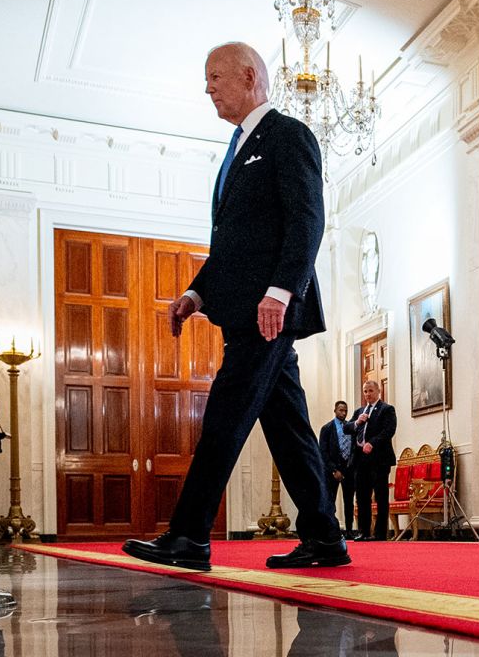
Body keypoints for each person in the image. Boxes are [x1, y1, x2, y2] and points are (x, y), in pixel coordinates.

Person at [123, 42, 347, 571]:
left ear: (249, 76)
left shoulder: (288, 135)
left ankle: (189, 536)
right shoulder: (236, 147)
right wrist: (197, 292)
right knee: (289, 428)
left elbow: (307, 221)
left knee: (224, 416)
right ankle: (324, 537)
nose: (207, 87)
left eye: (214, 76)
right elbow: (232, 241)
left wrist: (280, 291)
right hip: (247, 307)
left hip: (266, 312)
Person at [352, 380, 396, 541]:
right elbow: (346, 428)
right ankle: (364, 531)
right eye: (365, 391)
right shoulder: (359, 411)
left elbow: (389, 430)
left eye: (370, 391)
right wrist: (357, 422)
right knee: (362, 496)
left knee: (380, 496)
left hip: (379, 459)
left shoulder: (387, 409)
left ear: (379, 391)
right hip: (360, 460)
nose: (368, 394)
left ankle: (380, 533)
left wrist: (372, 443)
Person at [319, 400, 357, 537]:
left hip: (348, 469)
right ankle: (330, 530)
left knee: (349, 501)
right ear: (335, 410)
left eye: (345, 410)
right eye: (341, 410)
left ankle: (349, 530)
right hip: (332, 470)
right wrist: (334, 470)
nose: (343, 413)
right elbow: (323, 452)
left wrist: (350, 465)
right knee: (330, 501)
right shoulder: (327, 428)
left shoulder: (350, 427)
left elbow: (353, 448)